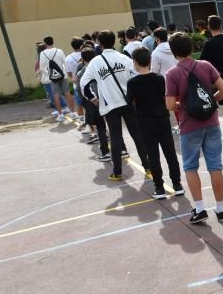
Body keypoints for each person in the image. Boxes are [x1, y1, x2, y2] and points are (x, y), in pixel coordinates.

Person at [164, 32, 223, 224]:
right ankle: (221, 208)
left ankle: (200, 208)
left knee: (191, 167)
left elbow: (169, 105)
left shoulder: (172, 74)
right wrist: (210, 102)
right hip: (211, 122)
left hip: (189, 125)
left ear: (173, 52)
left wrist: (184, 106)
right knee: (215, 165)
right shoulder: (206, 65)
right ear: (192, 47)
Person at [79, 31, 149, 182]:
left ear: (100, 43)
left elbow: (83, 83)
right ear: (114, 41)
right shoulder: (123, 58)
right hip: (128, 102)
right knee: (137, 135)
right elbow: (138, 75)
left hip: (110, 105)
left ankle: (117, 172)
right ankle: (148, 167)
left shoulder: (95, 62)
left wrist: (93, 98)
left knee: (116, 138)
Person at [127, 47, 183, 198]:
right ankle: (177, 184)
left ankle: (159, 187)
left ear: (135, 63)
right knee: (170, 153)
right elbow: (166, 97)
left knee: (153, 156)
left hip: (145, 122)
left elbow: (129, 103)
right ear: (150, 61)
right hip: (162, 119)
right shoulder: (159, 78)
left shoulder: (132, 83)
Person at [199, 15, 223, 140]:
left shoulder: (209, 44)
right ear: (221, 25)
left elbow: (202, 62)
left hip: (218, 79)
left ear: (209, 27)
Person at [78, 47, 110, 160]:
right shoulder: (101, 66)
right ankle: (122, 149)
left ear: (82, 58)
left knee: (100, 127)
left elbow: (81, 89)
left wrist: (92, 100)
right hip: (106, 97)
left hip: (93, 101)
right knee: (112, 124)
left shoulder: (82, 72)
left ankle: (105, 152)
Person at [39, 36, 76, 122]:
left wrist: (50, 74)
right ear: (53, 42)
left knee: (55, 95)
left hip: (52, 77)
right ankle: (73, 113)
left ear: (45, 43)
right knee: (67, 93)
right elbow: (65, 63)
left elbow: (41, 68)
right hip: (63, 76)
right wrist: (64, 73)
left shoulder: (42, 53)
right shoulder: (59, 51)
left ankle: (60, 114)